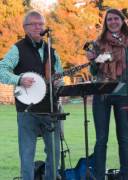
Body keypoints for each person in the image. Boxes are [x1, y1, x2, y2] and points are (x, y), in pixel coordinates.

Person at [0, 10, 63, 180]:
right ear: (25, 28)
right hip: (27, 110)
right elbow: (1, 69)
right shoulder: (17, 48)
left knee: (55, 154)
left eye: (41, 24)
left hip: (51, 109)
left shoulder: (53, 51)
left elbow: (60, 76)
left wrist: (58, 82)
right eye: (33, 24)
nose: (38, 27)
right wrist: (19, 79)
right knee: (27, 155)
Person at [85, 8, 128, 180]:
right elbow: (94, 71)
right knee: (101, 140)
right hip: (101, 96)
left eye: (116, 19)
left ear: (122, 21)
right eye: (109, 20)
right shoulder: (97, 44)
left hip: (124, 95)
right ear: (105, 23)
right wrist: (91, 59)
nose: (113, 22)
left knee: (124, 139)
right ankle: (99, 176)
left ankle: (126, 176)